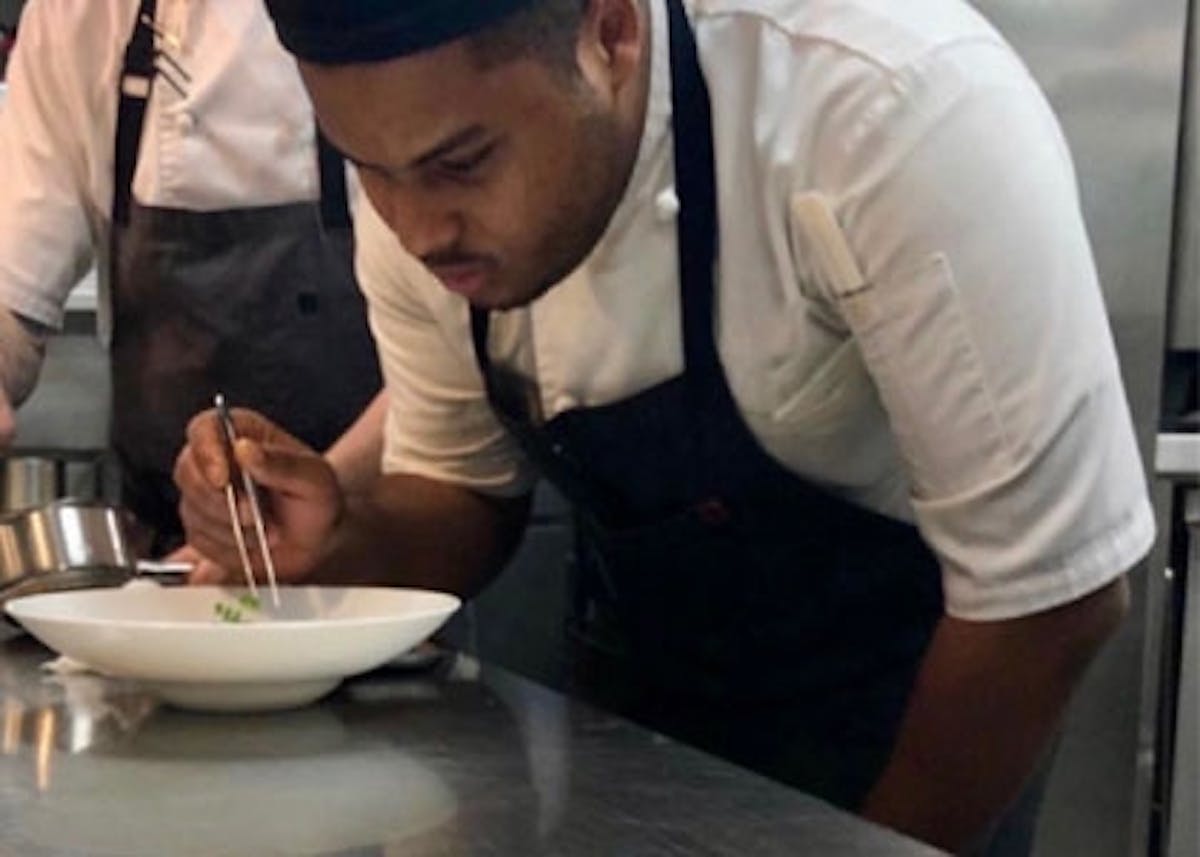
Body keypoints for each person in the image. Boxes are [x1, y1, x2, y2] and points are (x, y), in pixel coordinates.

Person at [175, 0, 1155, 852]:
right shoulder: (411, 167)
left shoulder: (887, 106)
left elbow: (1048, 600)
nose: (419, 226)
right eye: (371, 171)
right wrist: (339, 535)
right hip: (645, 748)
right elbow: (459, 486)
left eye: (462, 163)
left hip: (920, 727)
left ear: (610, 31)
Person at [0, 0, 383, 551]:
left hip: (376, 541)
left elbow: (447, 363)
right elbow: (16, 284)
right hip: (166, 556)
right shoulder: (80, 12)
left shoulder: (398, 19)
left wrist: (285, 516)